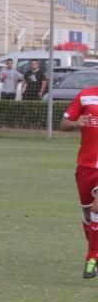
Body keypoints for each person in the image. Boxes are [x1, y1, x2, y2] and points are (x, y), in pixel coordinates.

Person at [60, 85, 98, 277]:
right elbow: (64, 124)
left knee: (96, 209)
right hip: (86, 165)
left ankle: (91, 258)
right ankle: (94, 248)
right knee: (87, 211)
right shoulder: (85, 95)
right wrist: (77, 123)